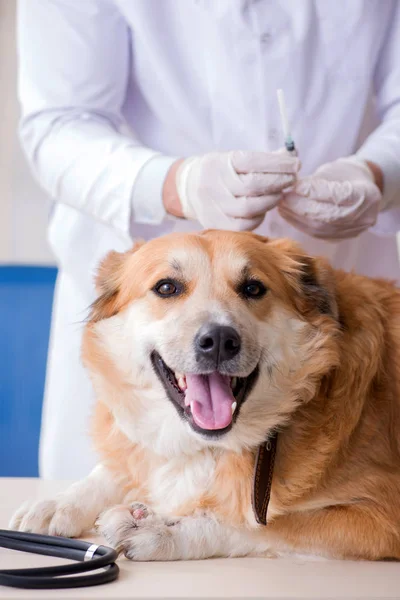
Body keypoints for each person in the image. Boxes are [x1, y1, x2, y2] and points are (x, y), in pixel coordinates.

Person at [17, 0, 400, 479]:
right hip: (140, 295)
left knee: (325, 529)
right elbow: (59, 121)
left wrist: (379, 173)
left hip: (328, 305)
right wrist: (175, 183)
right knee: (106, 525)